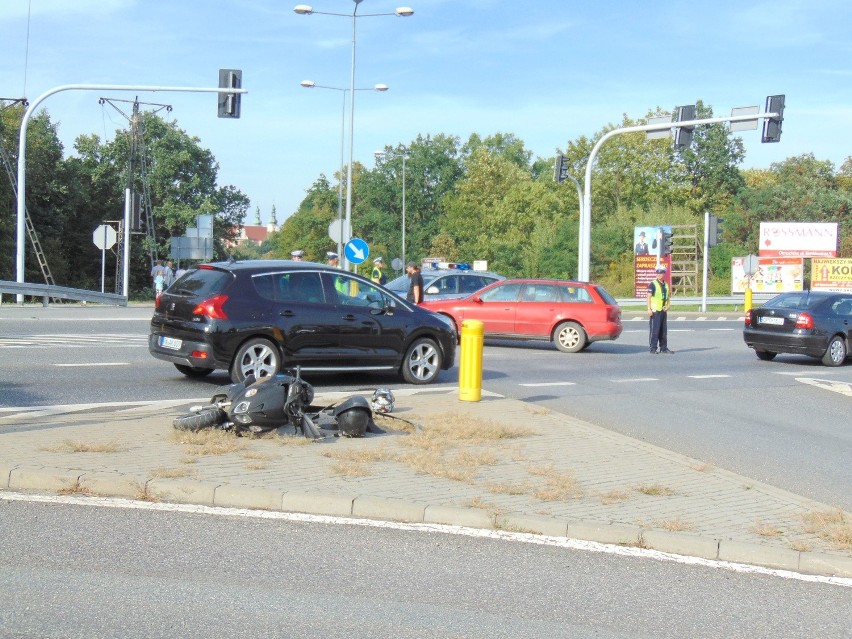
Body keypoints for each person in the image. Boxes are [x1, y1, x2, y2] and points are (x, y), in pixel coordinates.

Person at [647, 266, 673, 354]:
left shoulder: (666, 284)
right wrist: (649, 309)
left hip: (663, 310)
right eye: (657, 273)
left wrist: (668, 306)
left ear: (664, 274)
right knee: (655, 330)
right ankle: (653, 348)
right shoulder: (653, 284)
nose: (658, 274)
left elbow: (668, 297)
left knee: (663, 330)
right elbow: (648, 297)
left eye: (660, 273)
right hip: (655, 310)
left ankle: (663, 348)